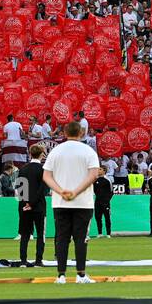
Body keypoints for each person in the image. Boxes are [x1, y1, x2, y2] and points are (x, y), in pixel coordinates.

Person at [42, 121, 100, 284]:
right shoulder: (88, 151)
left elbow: (46, 176)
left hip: (60, 202)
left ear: (64, 133)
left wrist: (61, 191)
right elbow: (93, 175)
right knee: (81, 238)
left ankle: (61, 275)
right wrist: (76, 191)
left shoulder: (56, 151)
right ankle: (81, 274)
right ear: (81, 133)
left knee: (62, 238)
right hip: (83, 202)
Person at [17, 143, 49, 266]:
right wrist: (33, 203)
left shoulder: (23, 169)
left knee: (25, 234)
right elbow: (43, 189)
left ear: (30, 154)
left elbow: (20, 189)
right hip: (39, 207)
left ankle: (23, 260)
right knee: (41, 234)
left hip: (24, 207)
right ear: (41, 154)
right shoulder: (43, 170)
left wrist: (26, 203)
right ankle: (38, 259)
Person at [92, 168, 113, 237]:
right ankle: (100, 233)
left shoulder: (107, 180)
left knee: (107, 218)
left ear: (104, 171)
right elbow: (94, 190)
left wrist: (107, 200)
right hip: (97, 202)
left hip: (105, 202)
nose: (98, 170)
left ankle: (108, 234)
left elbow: (111, 192)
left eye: (100, 169)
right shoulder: (95, 180)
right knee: (98, 217)